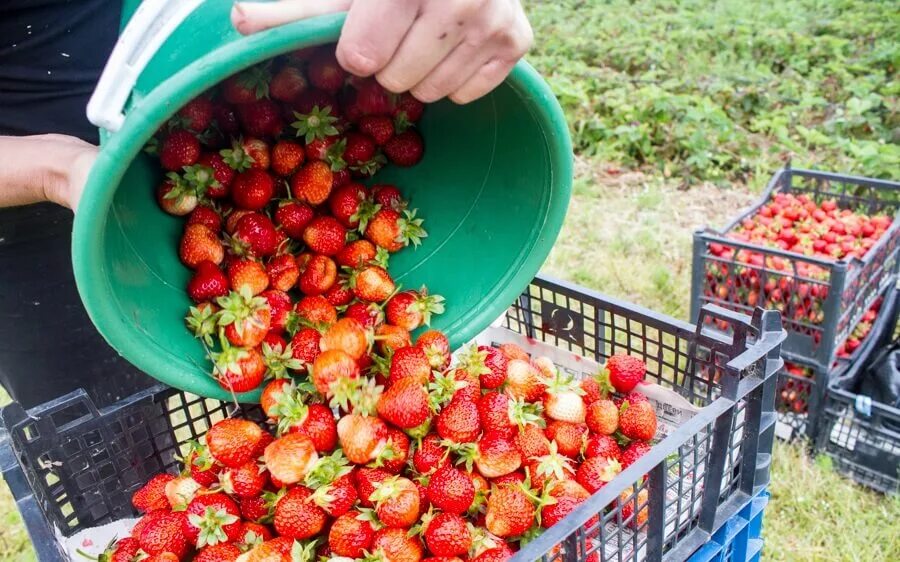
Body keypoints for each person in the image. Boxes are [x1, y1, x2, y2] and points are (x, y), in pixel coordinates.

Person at [0, 0, 532, 409]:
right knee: (107, 452)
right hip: (35, 194)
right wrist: (59, 167)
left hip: (259, 69)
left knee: (300, 415)